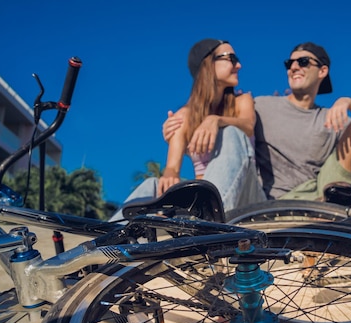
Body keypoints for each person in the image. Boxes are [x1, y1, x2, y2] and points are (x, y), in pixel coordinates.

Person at [163, 41, 351, 204]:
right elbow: (225, 117)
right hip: (272, 199)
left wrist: (349, 103)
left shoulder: (331, 117)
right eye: (289, 63)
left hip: (322, 193)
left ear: (323, 71)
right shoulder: (261, 106)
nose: (294, 67)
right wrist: (179, 124)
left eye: (303, 62)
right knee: (232, 132)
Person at [110, 38, 265, 221]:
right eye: (231, 58)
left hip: (249, 199)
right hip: (203, 204)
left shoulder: (242, 101)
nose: (238, 65)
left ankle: (207, 222)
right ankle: (103, 242)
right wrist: (169, 179)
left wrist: (215, 120)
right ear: (207, 64)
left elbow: (248, 126)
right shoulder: (184, 116)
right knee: (153, 185)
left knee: (231, 132)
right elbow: (171, 170)